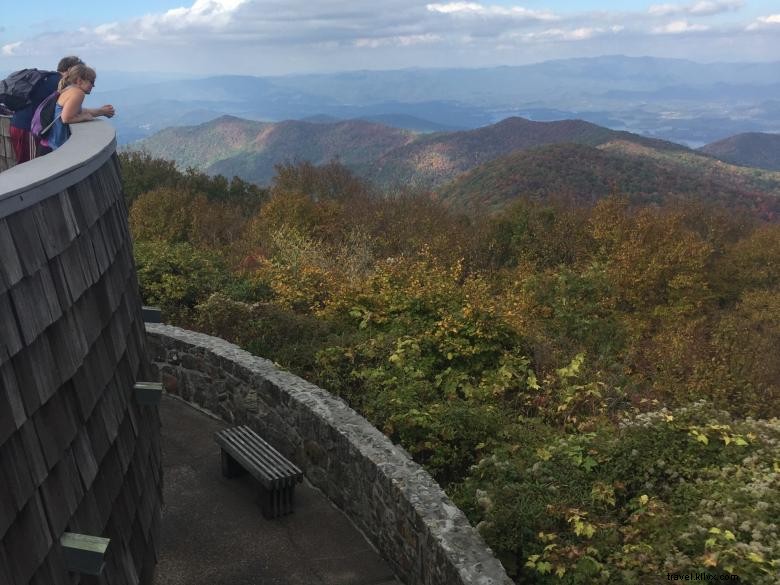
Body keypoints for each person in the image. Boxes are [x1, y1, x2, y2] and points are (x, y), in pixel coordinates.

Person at [9, 56, 83, 163]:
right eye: (78, 70)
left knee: (24, 163)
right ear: (69, 70)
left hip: (18, 124)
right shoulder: (59, 83)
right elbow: (65, 111)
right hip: (27, 128)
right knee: (31, 165)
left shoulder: (49, 78)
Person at [46, 64, 115, 151]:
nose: (93, 86)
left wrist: (102, 111)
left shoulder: (69, 89)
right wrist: (84, 117)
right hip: (60, 143)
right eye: (91, 82)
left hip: (55, 141)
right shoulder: (78, 93)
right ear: (79, 81)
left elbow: (76, 111)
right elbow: (66, 118)